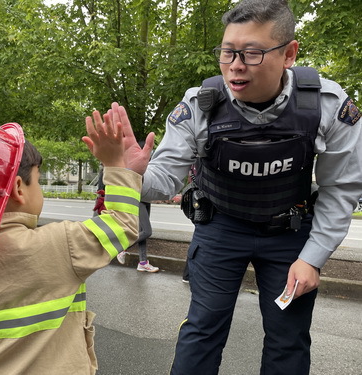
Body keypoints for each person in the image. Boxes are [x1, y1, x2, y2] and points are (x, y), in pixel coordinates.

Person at [108, 1, 362, 374]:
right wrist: (128, 173)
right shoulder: (200, 105)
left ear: (289, 53)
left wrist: (313, 258)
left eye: (252, 53)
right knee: (202, 329)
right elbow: (163, 182)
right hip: (220, 228)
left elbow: (341, 187)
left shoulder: (327, 105)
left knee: (288, 337)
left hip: (290, 233)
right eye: (227, 52)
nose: (236, 65)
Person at [0, 110, 142, 374]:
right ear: (19, 188)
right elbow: (122, 224)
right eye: (39, 179)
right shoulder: (60, 246)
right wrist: (115, 165)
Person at [116, 201, 159, 272]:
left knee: (142, 231)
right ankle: (123, 248)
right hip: (139, 200)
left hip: (147, 199)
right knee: (147, 232)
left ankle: (143, 263)